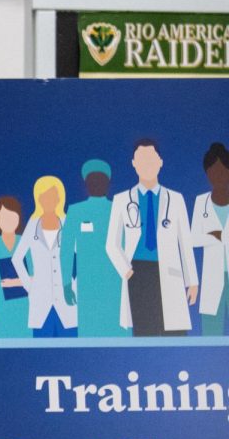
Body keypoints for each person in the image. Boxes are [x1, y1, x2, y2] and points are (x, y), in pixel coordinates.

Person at [105, 139, 198, 336]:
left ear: (161, 162)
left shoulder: (176, 199)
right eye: (142, 159)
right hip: (138, 272)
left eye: (151, 159)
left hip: (169, 269)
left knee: (174, 332)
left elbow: (185, 243)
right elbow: (112, 244)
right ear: (133, 163)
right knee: (145, 333)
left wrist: (193, 280)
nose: (147, 164)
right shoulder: (122, 200)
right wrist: (128, 272)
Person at [62, 159, 126, 337]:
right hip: (89, 286)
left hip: (117, 284)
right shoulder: (75, 212)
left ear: (108, 183)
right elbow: (66, 250)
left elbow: (129, 247)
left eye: (101, 180)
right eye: (92, 180)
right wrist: (66, 284)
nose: (97, 184)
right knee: (91, 336)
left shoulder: (119, 209)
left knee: (119, 336)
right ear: (86, 184)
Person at [12, 175, 77, 337]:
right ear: (38, 199)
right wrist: (30, 286)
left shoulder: (68, 223)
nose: (48, 200)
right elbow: (17, 258)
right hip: (41, 301)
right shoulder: (33, 224)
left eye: (52, 196)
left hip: (66, 300)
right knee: (41, 351)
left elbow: (81, 256)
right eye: (43, 196)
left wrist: (74, 283)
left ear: (59, 198)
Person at [0, 195, 31, 338]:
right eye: (3, 217)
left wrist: (14, 282)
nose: (7, 221)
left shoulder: (25, 243)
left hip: (24, 309)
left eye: (11, 216)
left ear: (18, 218)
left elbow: (36, 277)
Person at [192, 142, 229, 335]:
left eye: (222, 171)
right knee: (211, 331)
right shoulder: (201, 202)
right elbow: (193, 238)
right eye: (213, 172)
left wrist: (219, 235)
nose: (218, 176)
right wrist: (215, 237)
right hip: (213, 275)